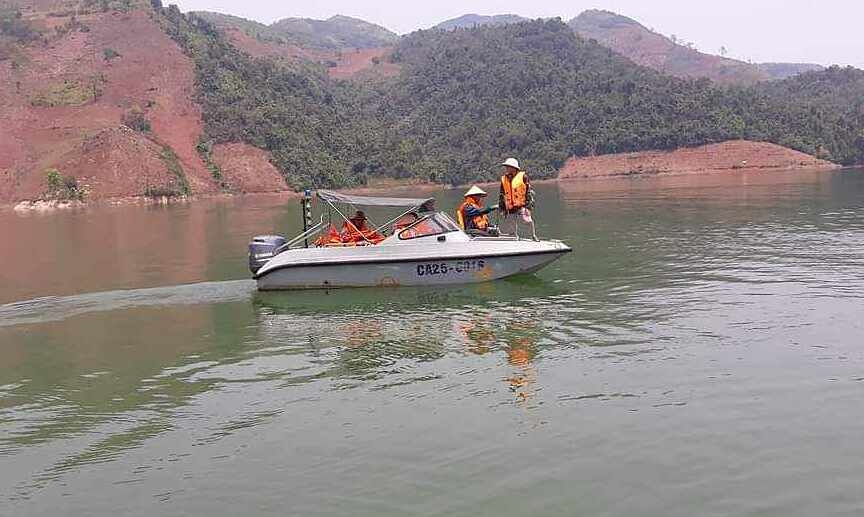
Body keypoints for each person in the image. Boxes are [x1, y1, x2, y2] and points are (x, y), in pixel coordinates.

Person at [497, 158, 537, 240]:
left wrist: (528, 207)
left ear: (514, 167)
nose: (506, 168)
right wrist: (502, 208)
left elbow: (528, 192)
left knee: (527, 220)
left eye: (508, 166)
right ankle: (514, 237)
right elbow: (502, 194)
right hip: (510, 206)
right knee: (511, 222)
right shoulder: (504, 179)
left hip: (522, 205)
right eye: (506, 166)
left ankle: (533, 236)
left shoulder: (523, 177)